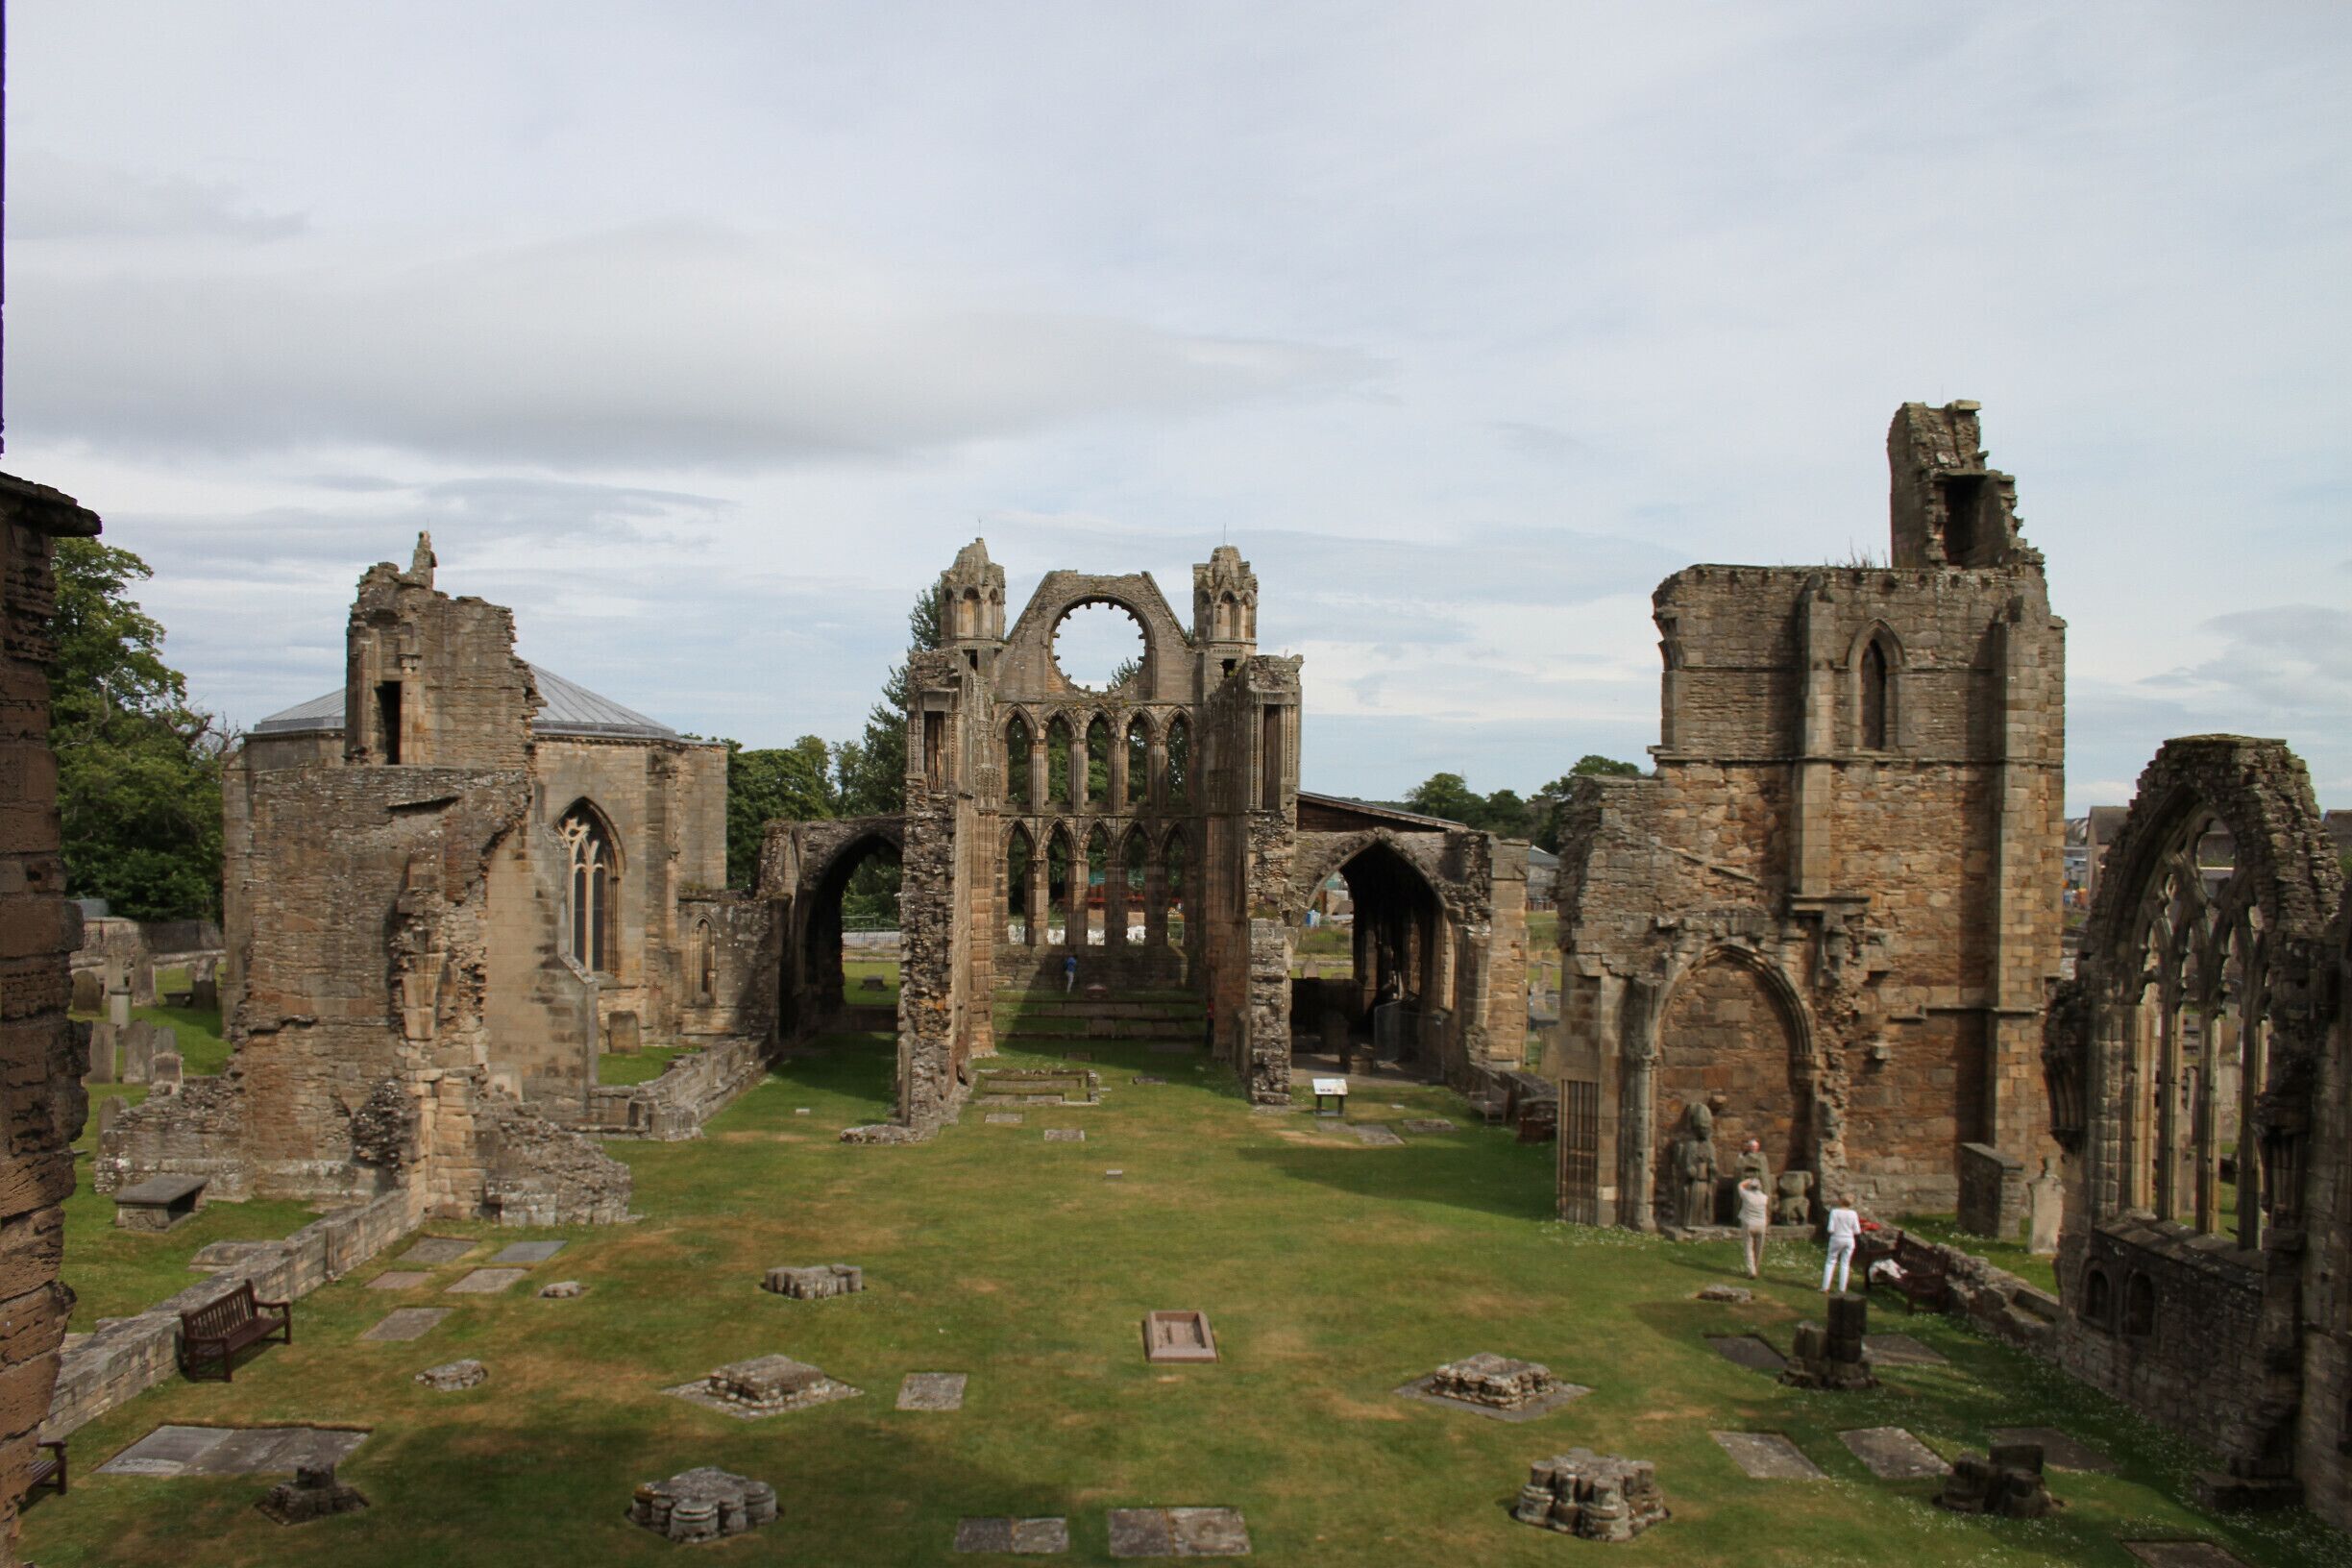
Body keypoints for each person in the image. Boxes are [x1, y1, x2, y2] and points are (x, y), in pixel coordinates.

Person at [1821, 1194, 1862, 1293]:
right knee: (1845, 1264)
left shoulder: (1834, 1212)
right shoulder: (1853, 1214)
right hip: (1849, 1240)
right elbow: (1857, 1231)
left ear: (1840, 1201)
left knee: (1830, 1262)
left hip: (1836, 1238)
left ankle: (1825, 1287)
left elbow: (1830, 1229)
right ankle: (1842, 1289)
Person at [1734, 1175, 1771, 1278]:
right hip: (1761, 1224)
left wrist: (1748, 1180)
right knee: (1759, 1248)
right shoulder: (1764, 1198)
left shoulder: (1746, 1195)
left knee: (1748, 1247)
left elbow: (1740, 1185)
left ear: (1751, 1187)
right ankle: (1756, 1268)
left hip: (1749, 1223)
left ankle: (1752, 1270)